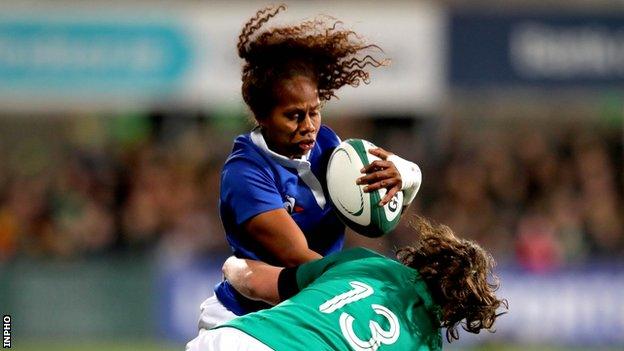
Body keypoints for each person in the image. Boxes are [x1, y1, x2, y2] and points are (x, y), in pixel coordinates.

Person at [197, 4, 423, 329]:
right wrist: (373, 282)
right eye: (294, 115)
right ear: (262, 115)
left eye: (314, 111)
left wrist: (405, 177)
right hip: (247, 317)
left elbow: (382, 219)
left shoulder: (330, 146)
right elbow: (298, 257)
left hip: (310, 309)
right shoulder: (246, 172)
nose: (309, 126)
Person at [186, 216, 507, 350]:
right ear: (460, 307)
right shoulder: (425, 343)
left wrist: (231, 264)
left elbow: (256, 283)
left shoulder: (367, 263)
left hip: (227, 340)